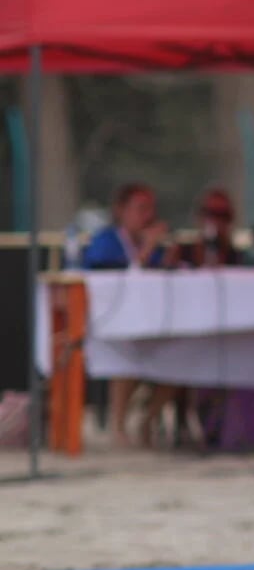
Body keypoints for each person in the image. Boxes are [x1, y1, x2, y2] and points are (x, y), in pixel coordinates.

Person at [79, 183, 173, 446]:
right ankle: (117, 427)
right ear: (121, 210)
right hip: (105, 328)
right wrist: (147, 250)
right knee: (125, 355)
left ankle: (147, 421)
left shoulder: (153, 245)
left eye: (151, 209)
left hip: (152, 324)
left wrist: (165, 256)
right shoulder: (105, 241)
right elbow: (113, 282)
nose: (147, 215)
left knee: (182, 355)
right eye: (141, 208)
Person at [181, 187, 240, 268]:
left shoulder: (239, 260)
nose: (216, 221)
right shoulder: (183, 256)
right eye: (211, 213)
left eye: (222, 215)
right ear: (200, 216)